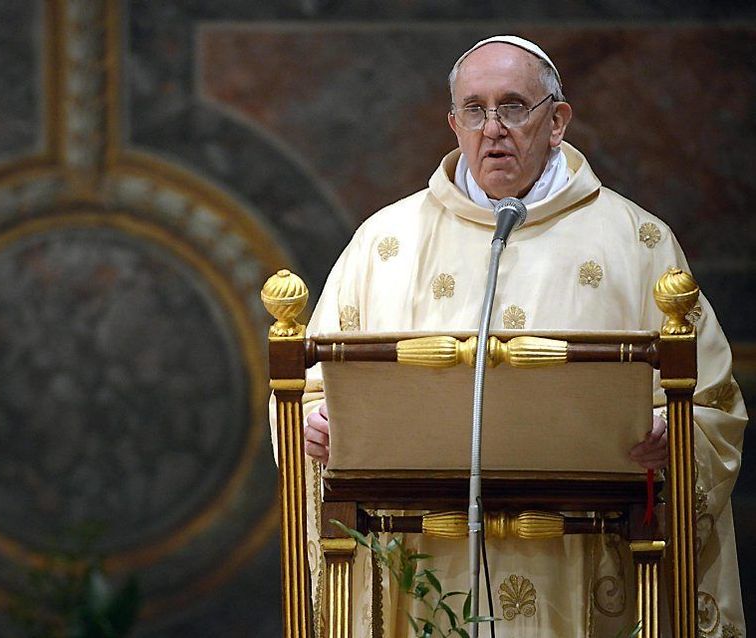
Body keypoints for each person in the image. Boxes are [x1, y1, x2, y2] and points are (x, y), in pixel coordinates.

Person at [294, 35, 747, 636]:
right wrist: (313, 423)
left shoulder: (638, 244)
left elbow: (712, 403)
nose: (492, 129)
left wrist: (677, 435)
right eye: (475, 110)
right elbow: (310, 392)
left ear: (557, 120)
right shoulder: (386, 244)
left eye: (513, 107)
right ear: (453, 123)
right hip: (425, 564)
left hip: (585, 561)